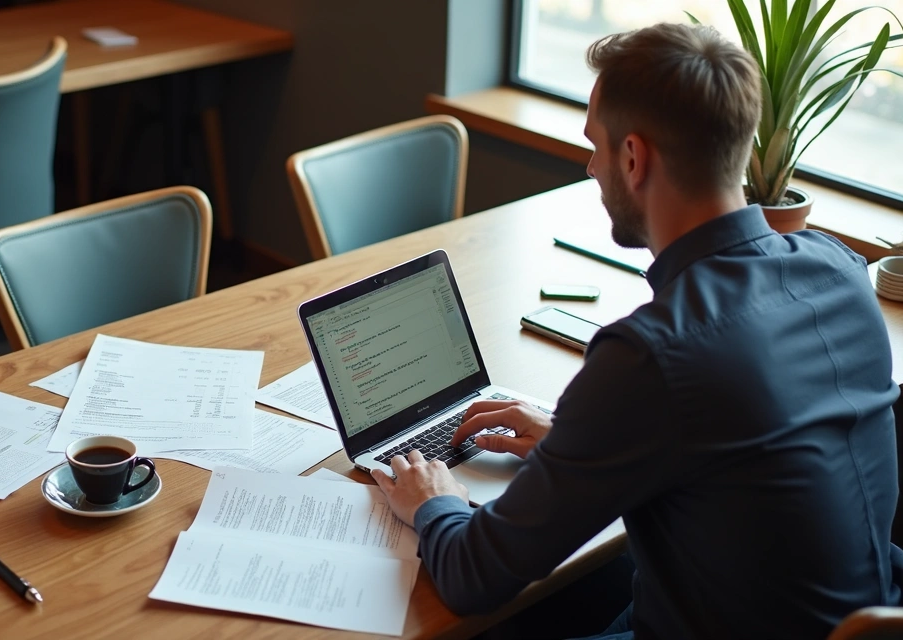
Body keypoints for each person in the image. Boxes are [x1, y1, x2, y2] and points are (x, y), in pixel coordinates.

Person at [371, 22, 902, 639]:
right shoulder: (839, 268)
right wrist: (574, 444)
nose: (591, 166)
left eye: (596, 145)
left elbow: (473, 576)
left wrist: (431, 497)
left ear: (633, 156)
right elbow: (744, 451)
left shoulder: (653, 353)